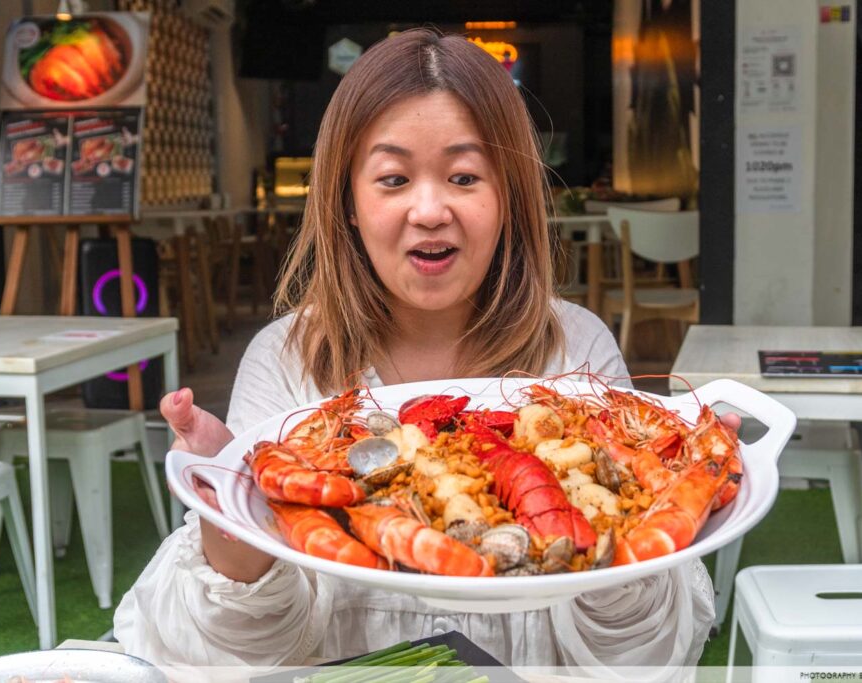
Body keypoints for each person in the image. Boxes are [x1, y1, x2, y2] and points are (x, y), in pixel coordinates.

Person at [114, 29, 718, 677]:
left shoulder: (576, 350)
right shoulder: (286, 360)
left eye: (464, 176)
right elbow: (236, 650)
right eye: (394, 178)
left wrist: (670, 500)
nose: (429, 209)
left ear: (510, 196)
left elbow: (643, 652)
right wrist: (225, 510)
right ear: (347, 200)